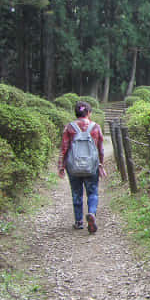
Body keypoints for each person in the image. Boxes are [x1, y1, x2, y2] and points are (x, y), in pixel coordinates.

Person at [58, 100, 107, 233]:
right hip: (91, 166)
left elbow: (64, 148)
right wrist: (101, 164)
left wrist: (61, 166)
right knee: (93, 192)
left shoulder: (69, 127)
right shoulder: (95, 127)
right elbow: (101, 149)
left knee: (76, 193)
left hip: (73, 166)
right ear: (89, 113)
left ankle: (79, 221)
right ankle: (91, 214)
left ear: (76, 112)